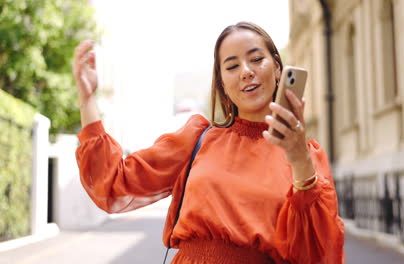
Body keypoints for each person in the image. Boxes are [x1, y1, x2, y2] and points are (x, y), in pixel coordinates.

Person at [73, 22, 345, 264]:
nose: (246, 72)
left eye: (256, 59)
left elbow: (320, 253)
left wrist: (299, 161)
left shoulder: (306, 157)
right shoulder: (198, 138)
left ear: (277, 68)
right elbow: (114, 181)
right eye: (232, 66)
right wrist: (87, 101)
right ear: (223, 83)